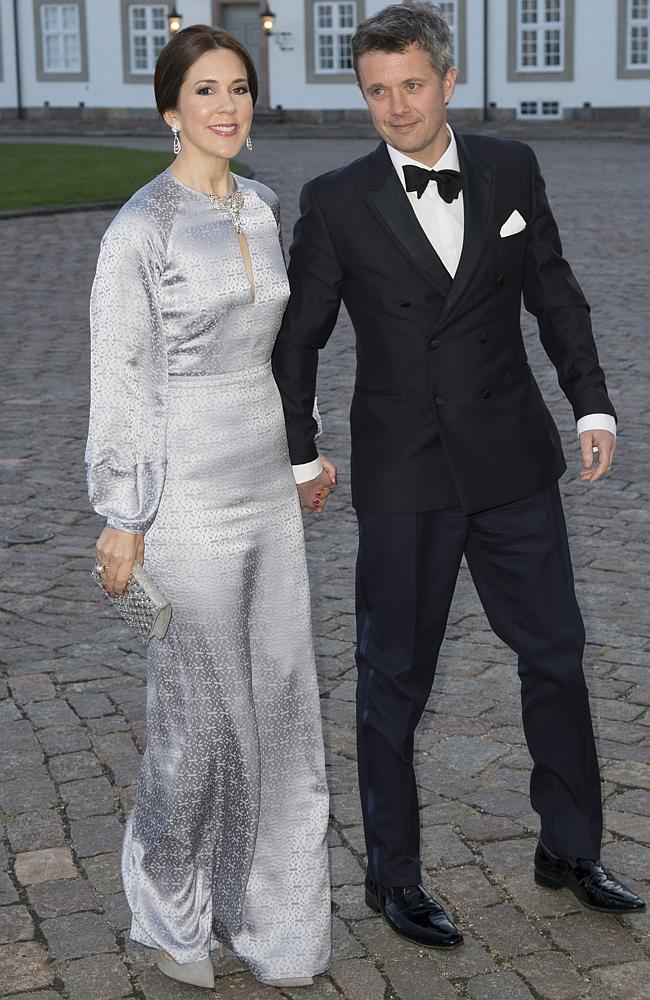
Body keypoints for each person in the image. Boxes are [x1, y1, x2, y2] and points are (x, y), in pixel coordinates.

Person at [272, 2, 645, 950]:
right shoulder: (335, 199)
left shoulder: (510, 168)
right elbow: (298, 341)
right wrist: (299, 447)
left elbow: (553, 291)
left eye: (410, 86)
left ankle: (569, 847)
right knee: (394, 679)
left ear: (446, 80)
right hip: (405, 478)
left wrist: (591, 402)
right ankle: (393, 878)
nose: (395, 107)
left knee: (556, 658)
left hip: (514, 462)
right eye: (376, 92)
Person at [86, 24, 334, 990]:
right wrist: (122, 511)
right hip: (182, 499)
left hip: (266, 486)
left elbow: (287, 351)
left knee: (278, 709)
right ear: (169, 110)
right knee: (199, 718)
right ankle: (168, 901)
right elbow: (123, 377)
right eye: (205, 91)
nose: (226, 105)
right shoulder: (137, 232)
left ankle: (270, 919)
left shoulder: (266, 208)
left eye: (238, 87)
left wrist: (304, 457)